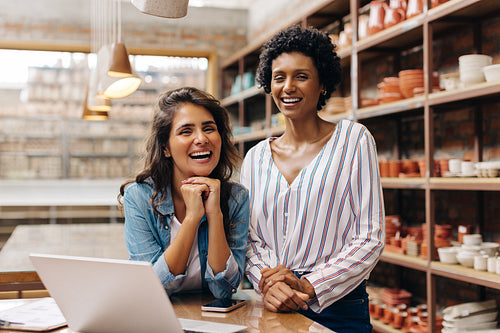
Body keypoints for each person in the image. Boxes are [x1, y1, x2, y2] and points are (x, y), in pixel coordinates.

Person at [240, 25, 385, 332]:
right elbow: (249, 240)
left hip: (338, 306)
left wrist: (309, 285)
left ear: (322, 84)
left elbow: (369, 237)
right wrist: (270, 284)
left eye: (301, 76)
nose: (288, 87)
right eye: (279, 77)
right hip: (273, 304)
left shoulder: (354, 140)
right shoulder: (255, 157)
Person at [120, 87, 249, 299]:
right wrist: (192, 218)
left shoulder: (237, 197)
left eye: (209, 128)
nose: (201, 139)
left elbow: (224, 289)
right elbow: (150, 287)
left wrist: (215, 214)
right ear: (165, 148)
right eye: (186, 131)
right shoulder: (139, 196)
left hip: (212, 320)